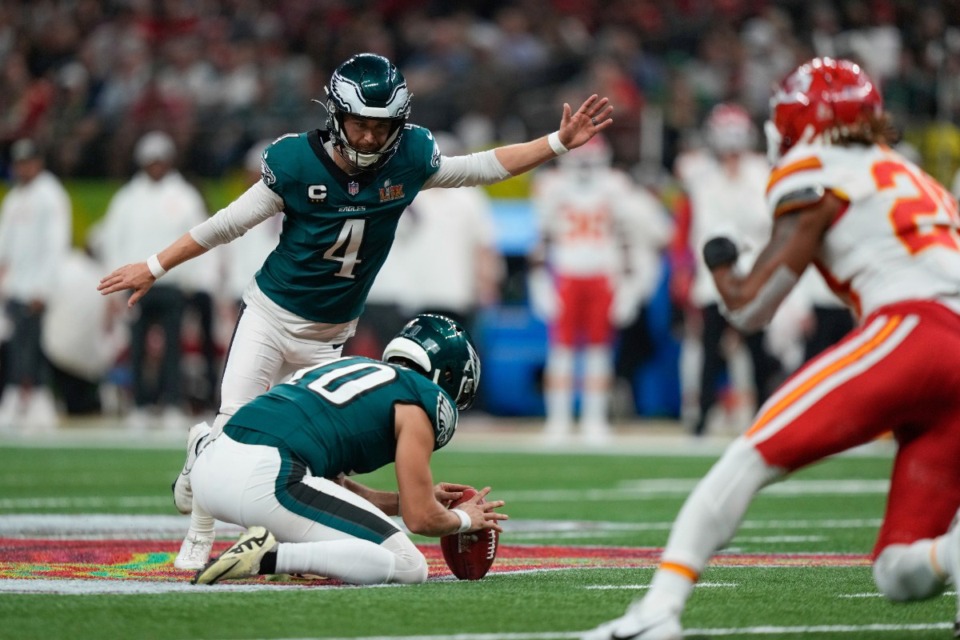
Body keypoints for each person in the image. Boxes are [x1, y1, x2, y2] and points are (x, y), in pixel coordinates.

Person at [96, 52, 609, 566]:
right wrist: (154, 265)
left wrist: (558, 142)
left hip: (331, 334)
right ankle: (197, 540)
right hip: (271, 315)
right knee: (233, 427)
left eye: (380, 127)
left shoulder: (411, 157)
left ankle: (268, 537)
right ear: (336, 115)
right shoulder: (295, 162)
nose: (367, 137)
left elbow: (480, 167)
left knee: (320, 463)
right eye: (359, 124)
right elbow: (228, 223)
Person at [584, 57, 960, 640]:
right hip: (944, 335)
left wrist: (721, 264)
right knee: (898, 573)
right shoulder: (913, 173)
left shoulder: (814, 170)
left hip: (915, 329)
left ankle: (658, 611)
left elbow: (751, 307)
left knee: (749, 456)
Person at [182, 313, 506, 586]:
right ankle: (269, 556)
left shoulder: (352, 368)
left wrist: (408, 499)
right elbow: (420, 519)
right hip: (267, 477)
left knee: (329, 511)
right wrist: (465, 518)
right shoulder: (419, 399)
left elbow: (332, 488)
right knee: (409, 565)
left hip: (213, 472)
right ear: (447, 376)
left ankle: (200, 443)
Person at [527, 134, 670, 444]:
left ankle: (594, 419)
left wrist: (630, 286)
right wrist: (538, 282)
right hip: (566, 273)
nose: (584, 169)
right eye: (579, 161)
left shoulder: (615, 187)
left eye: (590, 161)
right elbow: (541, 238)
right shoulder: (552, 187)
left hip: (602, 275)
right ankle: (559, 420)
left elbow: (627, 237)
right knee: (561, 353)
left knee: (598, 353)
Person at [672, 102, 784, 437]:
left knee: (757, 349)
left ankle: (763, 414)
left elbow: (767, 222)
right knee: (709, 351)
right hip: (712, 275)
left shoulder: (760, 172)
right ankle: (702, 415)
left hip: (753, 272)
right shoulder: (701, 173)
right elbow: (691, 223)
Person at [97, 131, 210, 430]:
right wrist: (115, 282)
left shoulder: (184, 195)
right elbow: (113, 240)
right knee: (136, 347)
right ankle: (141, 405)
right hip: (135, 283)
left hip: (173, 283)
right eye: (151, 161)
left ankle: (172, 403)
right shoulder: (128, 198)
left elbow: (199, 238)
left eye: (160, 160)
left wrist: (195, 281)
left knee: (174, 347)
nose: (156, 166)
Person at [0, 138, 72, 431]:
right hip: (15, 285)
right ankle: (29, 403)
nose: (23, 168)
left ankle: (31, 402)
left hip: (37, 286)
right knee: (19, 346)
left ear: (38, 162)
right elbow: (5, 246)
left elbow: (57, 244)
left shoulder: (50, 194)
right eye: (18, 163)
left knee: (33, 345)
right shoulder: (14, 198)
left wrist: (45, 287)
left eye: (27, 162)